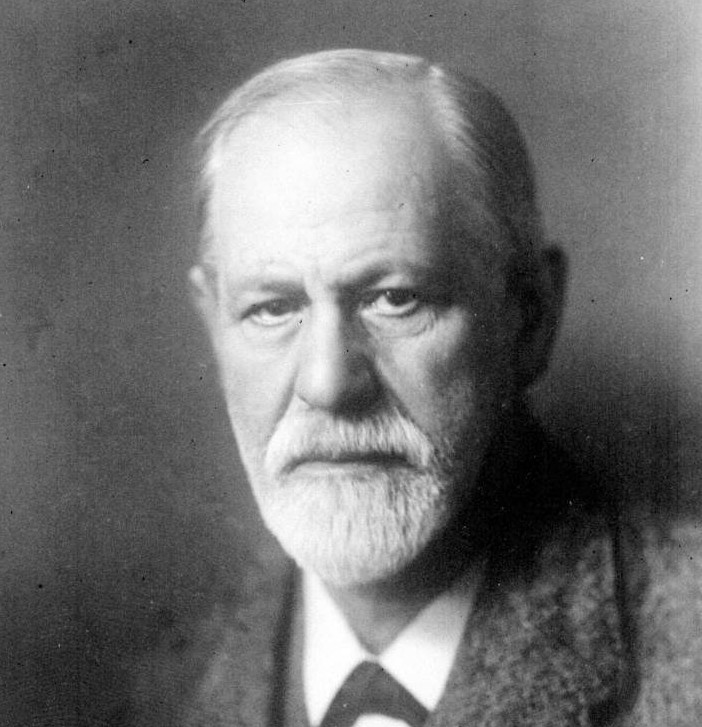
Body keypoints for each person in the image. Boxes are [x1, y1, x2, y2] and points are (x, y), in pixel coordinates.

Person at [130, 49, 702, 726]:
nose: (328, 383)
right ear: (214, 325)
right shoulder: (164, 685)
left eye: (395, 299)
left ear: (530, 318)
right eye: (272, 308)